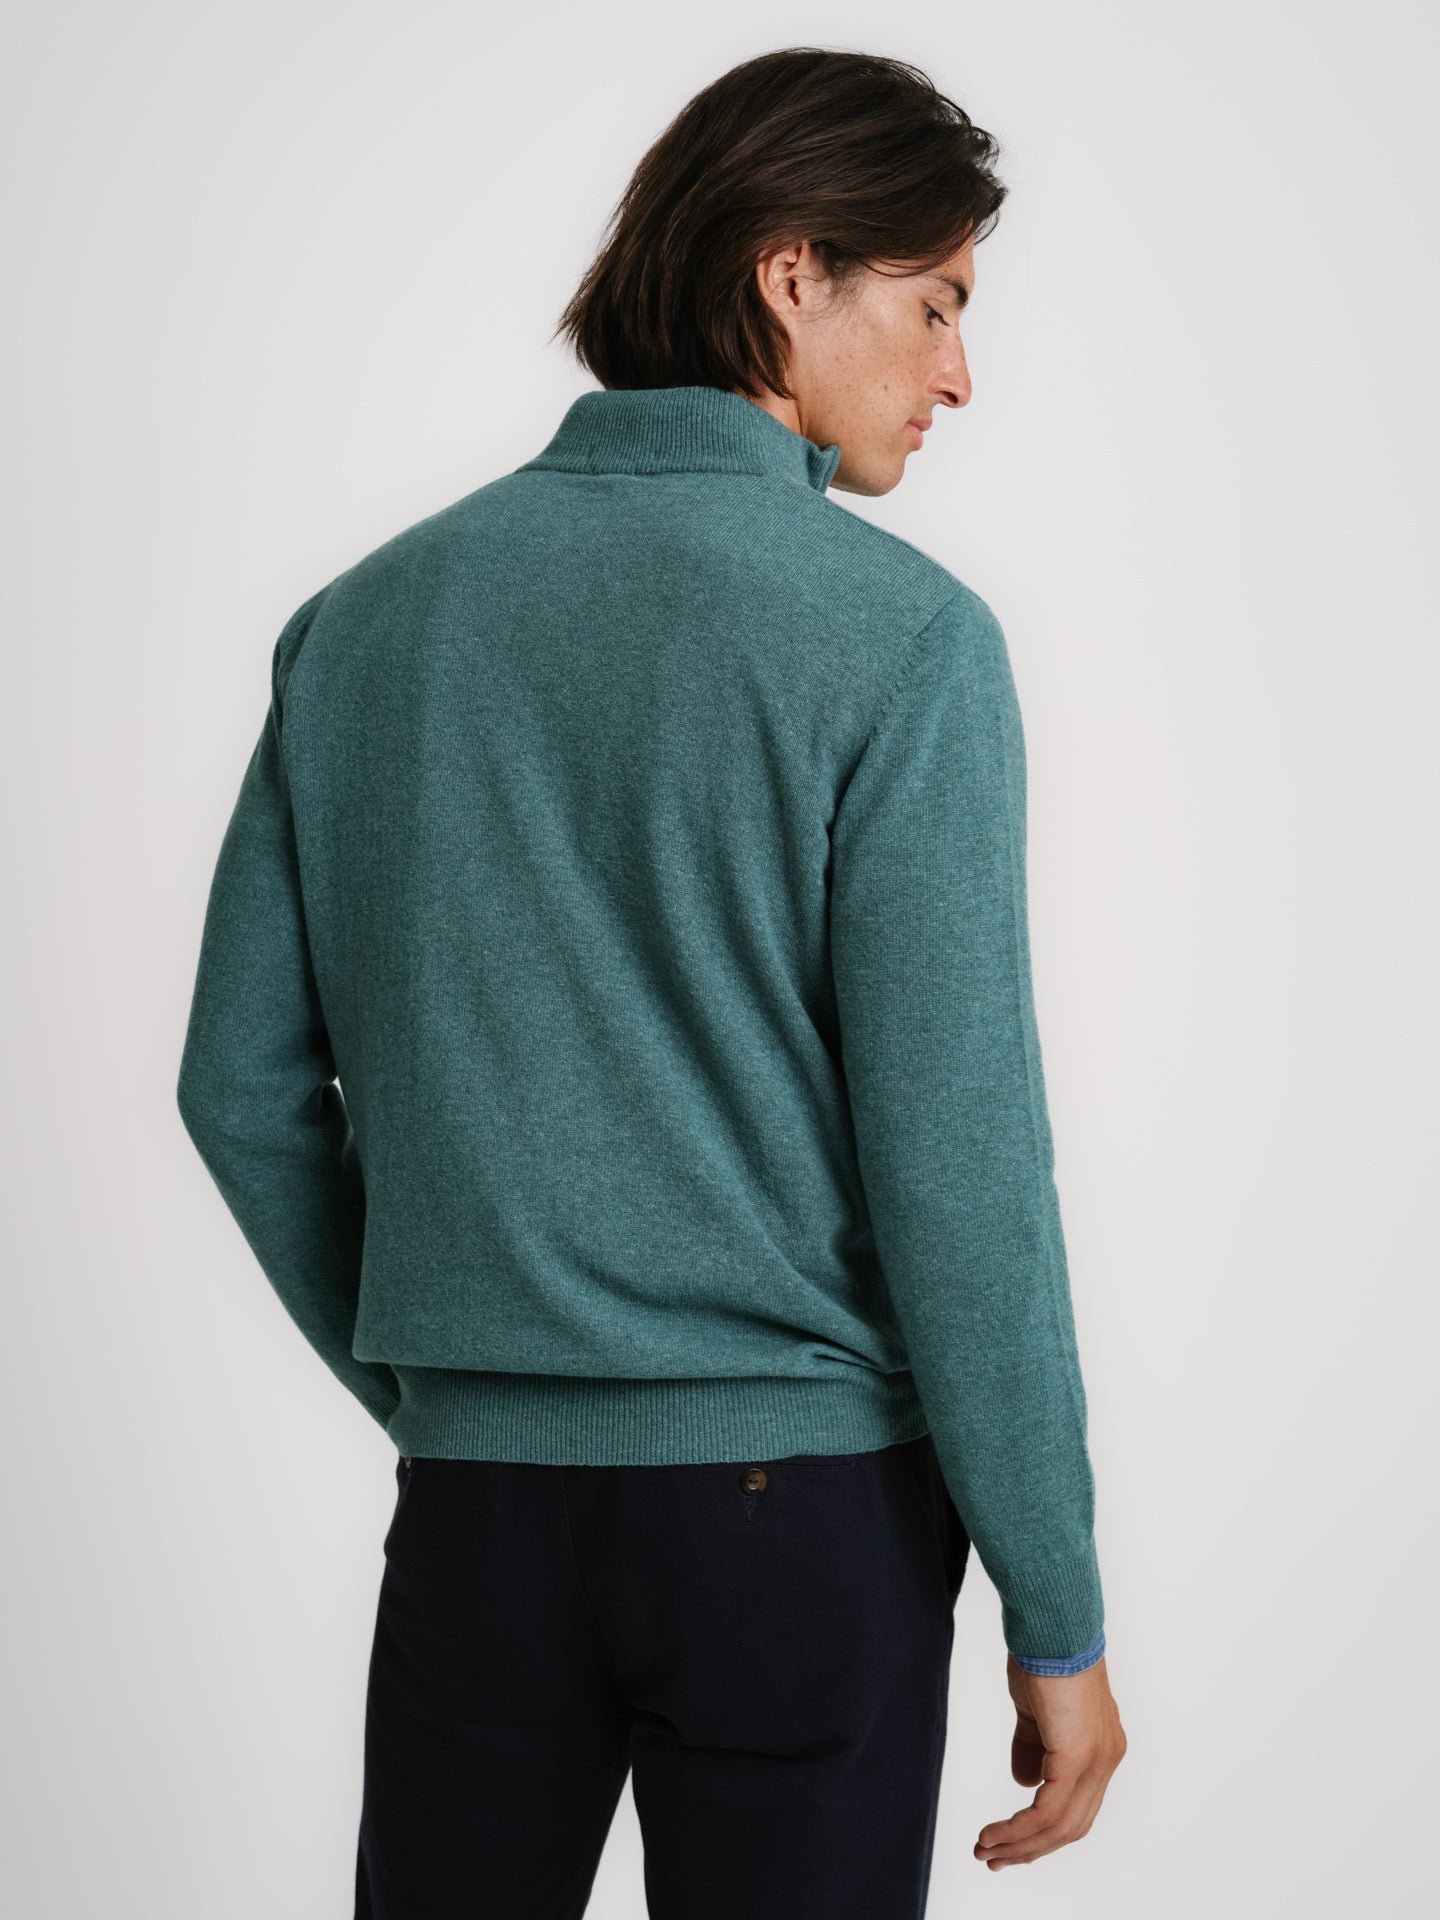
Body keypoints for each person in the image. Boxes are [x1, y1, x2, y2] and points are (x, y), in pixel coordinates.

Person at [176, 44, 1126, 1920]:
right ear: (792, 274)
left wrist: (457, 1388)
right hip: (804, 1524)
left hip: (479, 1519)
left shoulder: (361, 624)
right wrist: (1061, 1607)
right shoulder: (904, 644)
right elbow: (958, 1172)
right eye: (935, 304)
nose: (957, 373)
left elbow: (237, 1088)